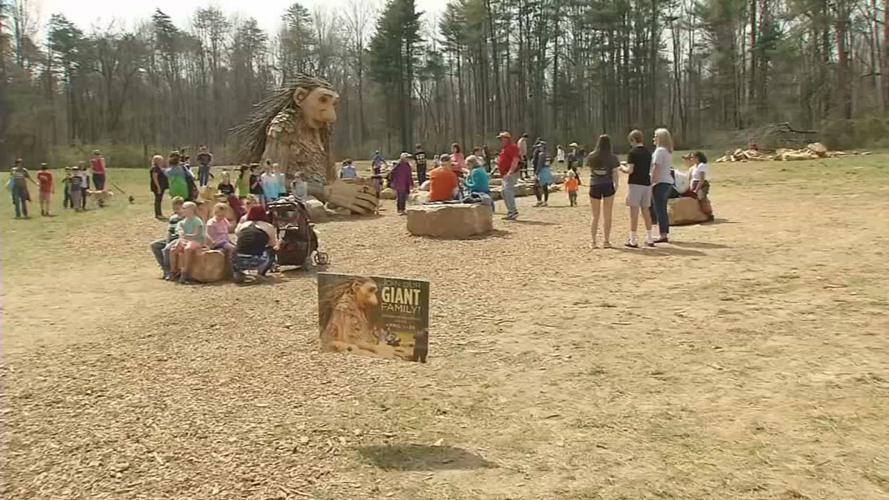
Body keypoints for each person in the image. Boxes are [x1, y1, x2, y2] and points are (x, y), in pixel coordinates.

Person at [620, 129, 655, 248]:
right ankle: (650, 237)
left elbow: (630, 170)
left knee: (633, 212)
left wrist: (622, 167)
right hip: (646, 183)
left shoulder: (632, 153)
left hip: (635, 183)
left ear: (633, 140)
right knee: (646, 210)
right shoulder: (648, 152)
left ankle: (633, 239)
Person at [587, 135, 620, 248]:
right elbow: (615, 173)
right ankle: (606, 241)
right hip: (607, 184)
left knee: (595, 215)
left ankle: (593, 241)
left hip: (595, 185)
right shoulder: (612, 157)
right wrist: (616, 185)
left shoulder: (592, 156)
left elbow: (590, 171)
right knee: (607, 214)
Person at [233, 205, 278, 282]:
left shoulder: (243, 225)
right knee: (271, 250)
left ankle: (238, 272)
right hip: (256, 260)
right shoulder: (268, 226)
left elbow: (237, 235)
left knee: (237, 248)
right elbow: (272, 244)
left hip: (237, 259)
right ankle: (261, 272)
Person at [150, 197, 185, 280]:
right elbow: (170, 231)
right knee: (154, 245)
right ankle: (164, 269)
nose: (176, 210)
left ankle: (170, 271)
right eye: (174, 208)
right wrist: (168, 241)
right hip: (172, 238)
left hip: (179, 238)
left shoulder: (186, 218)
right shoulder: (173, 218)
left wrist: (169, 244)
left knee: (166, 249)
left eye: (178, 208)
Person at [650, 128, 675, 243]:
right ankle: (663, 233)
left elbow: (656, 168)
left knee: (659, 209)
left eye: (655, 136)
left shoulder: (660, 151)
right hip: (668, 182)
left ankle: (663, 234)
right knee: (662, 209)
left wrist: (651, 182)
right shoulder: (667, 151)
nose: (654, 138)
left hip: (660, 182)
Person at [174, 201, 206, 284]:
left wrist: (184, 236)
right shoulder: (183, 221)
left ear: (191, 210)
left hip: (197, 240)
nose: (182, 210)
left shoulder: (198, 221)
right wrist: (182, 238)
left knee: (188, 249)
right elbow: (180, 232)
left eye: (184, 208)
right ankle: (176, 271)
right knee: (175, 248)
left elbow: (196, 234)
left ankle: (186, 272)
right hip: (188, 240)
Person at [497, 131, 521, 220]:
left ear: (507, 139)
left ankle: (513, 211)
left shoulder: (512, 147)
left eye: (502, 138)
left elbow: (515, 160)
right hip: (505, 174)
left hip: (510, 173)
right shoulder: (505, 148)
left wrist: (510, 172)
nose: (501, 140)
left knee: (507, 191)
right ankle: (510, 211)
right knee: (504, 192)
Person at [690, 151, 714, 220]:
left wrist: (696, 189)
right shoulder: (694, 166)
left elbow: (702, 179)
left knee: (702, 198)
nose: (691, 159)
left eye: (693, 157)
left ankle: (709, 214)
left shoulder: (702, 166)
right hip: (694, 183)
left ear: (697, 158)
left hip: (701, 184)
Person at [149, 155, 168, 219]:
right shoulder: (155, 168)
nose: (162, 161)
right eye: (161, 160)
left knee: (159, 200)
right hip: (157, 186)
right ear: (157, 161)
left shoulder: (158, 168)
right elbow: (155, 178)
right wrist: (158, 187)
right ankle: (158, 214)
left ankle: (159, 213)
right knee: (158, 200)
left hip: (161, 186)